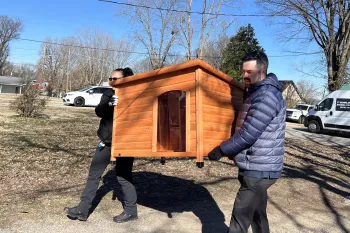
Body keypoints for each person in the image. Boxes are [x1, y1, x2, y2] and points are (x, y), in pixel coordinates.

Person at [208, 51, 286, 233]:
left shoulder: (266, 95)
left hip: (260, 170)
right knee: (258, 216)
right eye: (243, 71)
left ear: (263, 70)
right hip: (258, 167)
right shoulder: (255, 92)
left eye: (249, 72)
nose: (244, 76)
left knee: (239, 221)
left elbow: (250, 132)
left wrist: (222, 149)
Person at [64, 68, 138, 223]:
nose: (112, 82)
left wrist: (124, 103)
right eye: (111, 78)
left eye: (116, 79)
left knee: (124, 177)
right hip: (106, 142)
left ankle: (131, 212)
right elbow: (99, 111)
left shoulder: (134, 96)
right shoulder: (108, 94)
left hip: (124, 143)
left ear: (125, 80)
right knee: (94, 175)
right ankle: (82, 210)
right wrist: (110, 104)